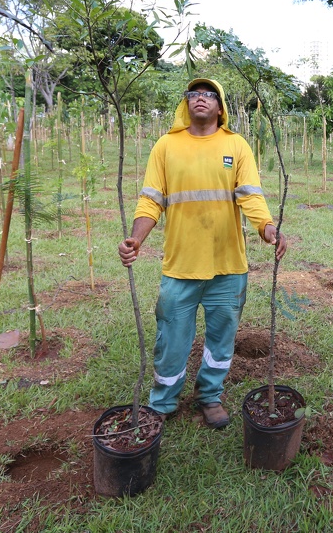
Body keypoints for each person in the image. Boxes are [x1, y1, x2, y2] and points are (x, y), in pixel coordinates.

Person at [118, 78, 288, 429]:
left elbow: (250, 194)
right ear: (186, 104)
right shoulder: (166, 146)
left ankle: (209, 395)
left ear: (220, 106)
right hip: (180, 266)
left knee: (221, 339)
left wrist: (267, 227)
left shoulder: (236, 145)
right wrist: (136, 239)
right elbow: (151, 198)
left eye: (209, 95)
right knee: (172, 340)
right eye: (194, 94)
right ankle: (163, 401)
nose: (200, 99)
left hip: (228, 266)